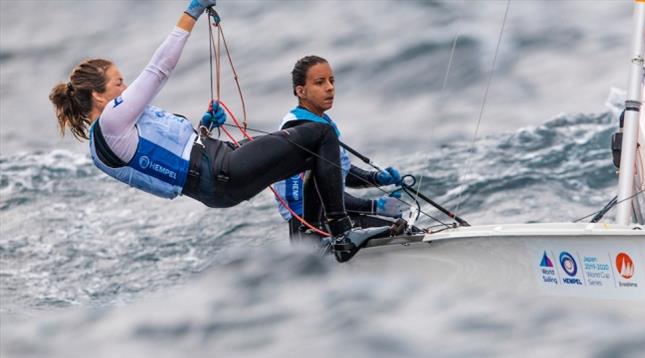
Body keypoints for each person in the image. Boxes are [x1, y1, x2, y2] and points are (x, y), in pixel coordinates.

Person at [47, 1, 384, 262]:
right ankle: (341, 233)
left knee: (304, 155)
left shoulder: (102, 144)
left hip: (215, 177)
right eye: (119, 82)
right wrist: (191, 13)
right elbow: (159, 69)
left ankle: (313, 244)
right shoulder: (112, 122)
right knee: (319, 135)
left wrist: (205, 127)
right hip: (221, 171)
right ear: (98, 95)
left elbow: (168, 157)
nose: (127, 85)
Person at [273, 55, 408, 241]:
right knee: (402, 233)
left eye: (331, 80)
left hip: (328, 220)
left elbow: (333, 174)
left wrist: (375, 178)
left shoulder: (319, 121)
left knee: (404, 229)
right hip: (310, 229)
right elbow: (324, 194)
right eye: (320, 82)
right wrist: (374, 206)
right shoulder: (300, 128)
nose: (330, 87)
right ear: (301, 91)